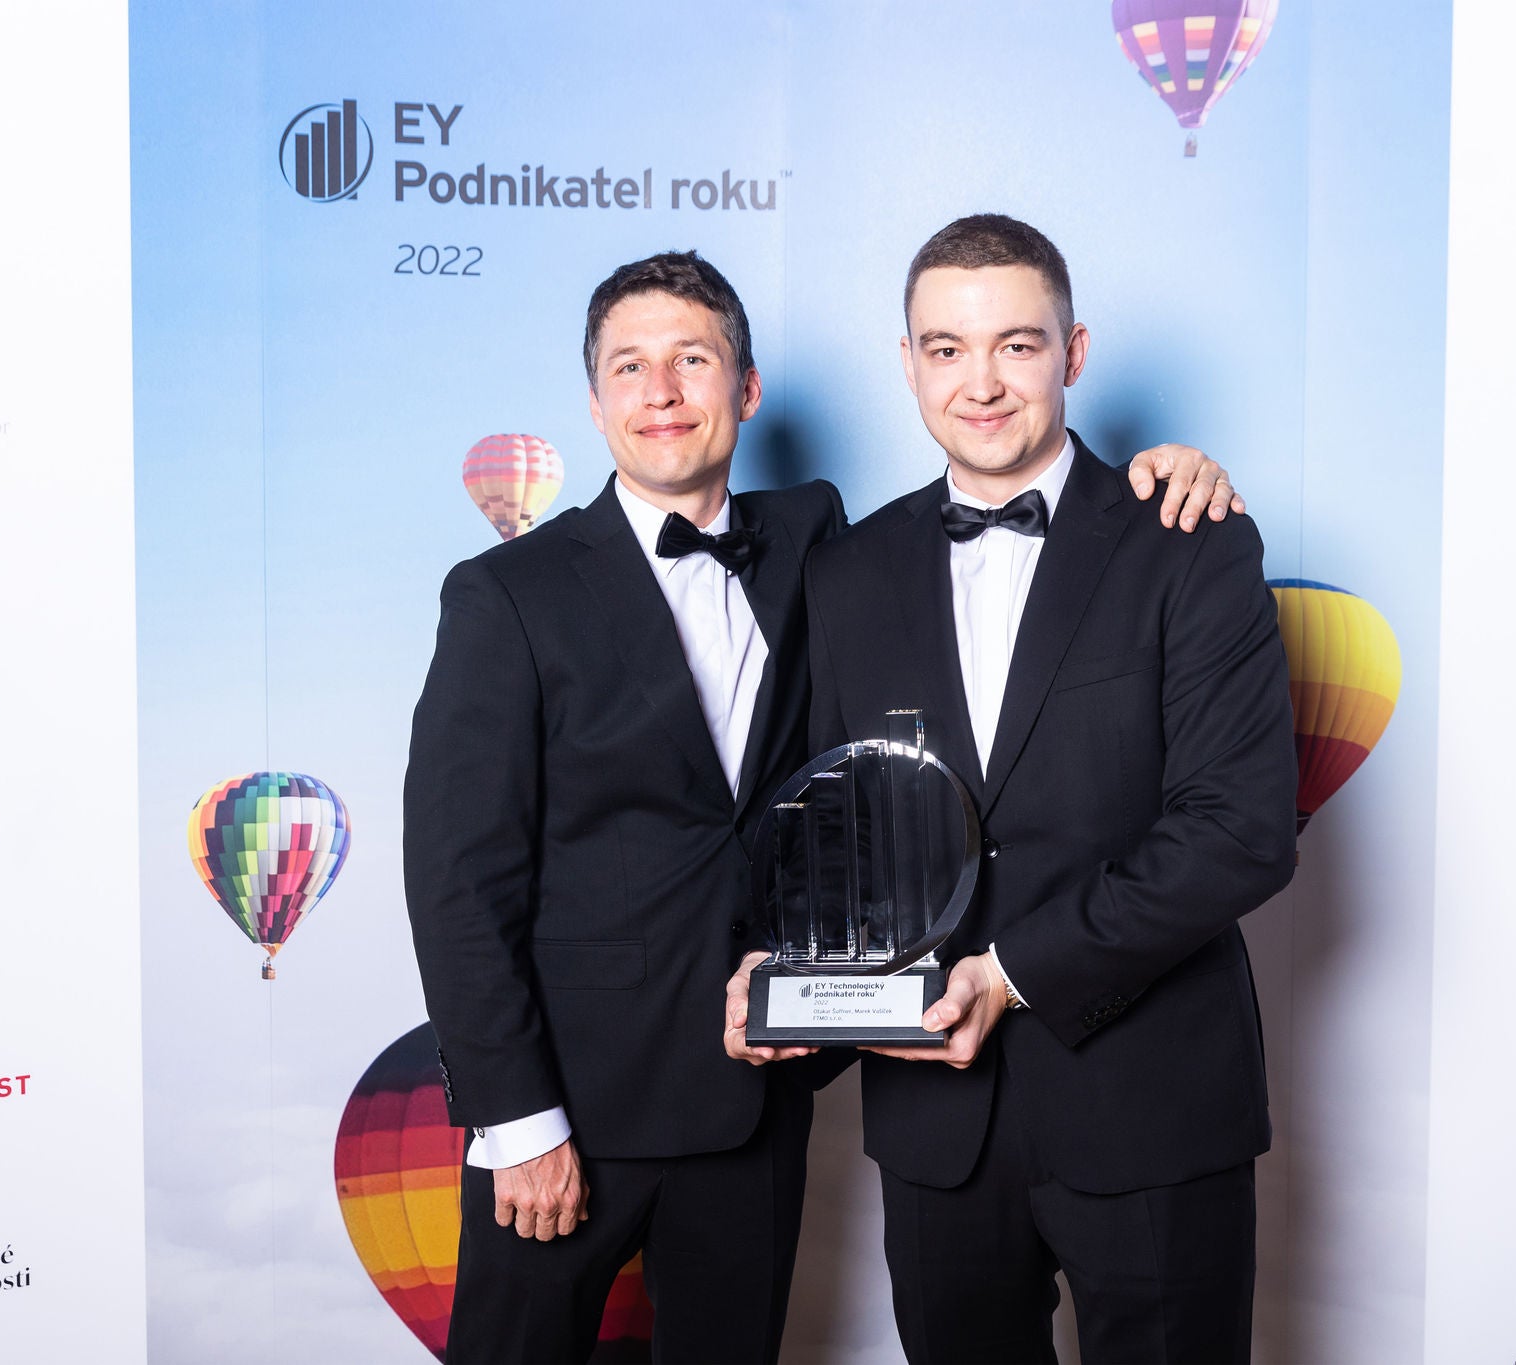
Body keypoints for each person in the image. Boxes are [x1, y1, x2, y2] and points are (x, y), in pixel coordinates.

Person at [404, 249, 1243, 1364]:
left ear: (747, 389)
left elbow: (844, 807)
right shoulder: (506, 594)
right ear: (594, 402)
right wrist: (515, 1119)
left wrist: (1173, 468)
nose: (662, 392)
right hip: (572, 1103)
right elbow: (458, 880)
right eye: (629, 368)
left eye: (692, 360)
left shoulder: (818, 546)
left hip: (765, 1101)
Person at [729, 215, 1298, 1364]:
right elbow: (836, 832)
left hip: (1149, 1110)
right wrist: (788, 979)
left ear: (1072, 353)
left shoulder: (1189, 540)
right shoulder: (847, 572)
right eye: (945, 348)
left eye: (1016, 346)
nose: (979, 383)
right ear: (906, 364)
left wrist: (1011, 974)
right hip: (936, 1132)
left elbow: (1236, 833)